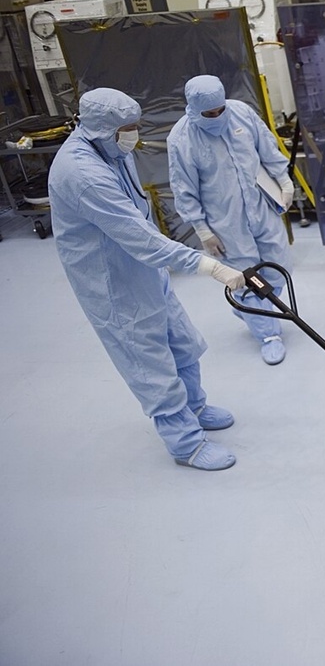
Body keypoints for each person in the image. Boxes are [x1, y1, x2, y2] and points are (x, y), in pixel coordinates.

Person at [49, 88, 246, 471]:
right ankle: (185, 444)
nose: (134, 135)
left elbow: (140, 224)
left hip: (144, 267)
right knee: (149, 360)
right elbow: (139, 237)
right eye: (128, 128)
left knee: (181, 341)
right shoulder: (82, 174)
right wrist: (211, 267)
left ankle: (195, 407)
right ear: (102, 129)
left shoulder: (111, 148)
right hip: (113, 280)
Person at [168, 75, 295, 365]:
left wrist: (285, 183)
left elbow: (267, 149)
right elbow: (183, 188)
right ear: (192, 109)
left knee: (277, 267)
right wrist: (202, 229)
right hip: (225, 221)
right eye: (208, 114)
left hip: (261, 205)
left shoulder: (241, 112)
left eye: (219, 110)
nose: (216, 117)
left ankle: (252, 310)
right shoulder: (181, 139)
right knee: (244, 276)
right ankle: (268, 334)